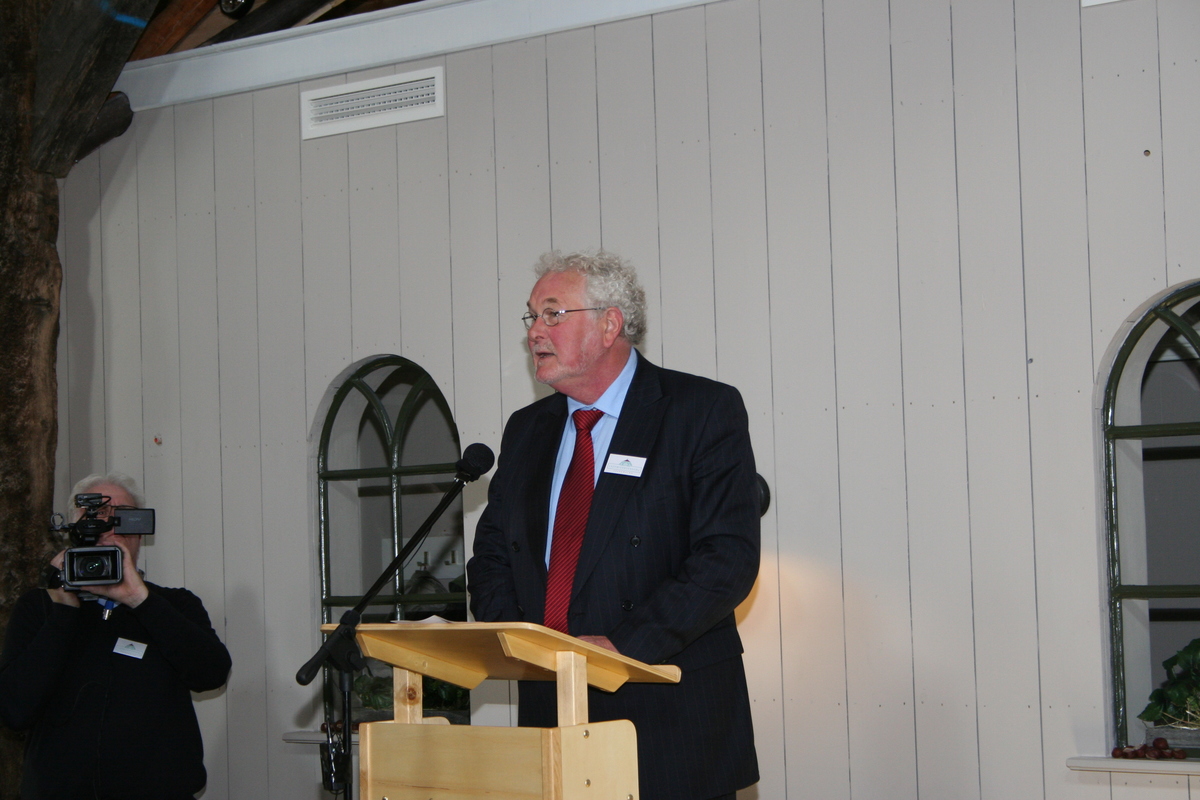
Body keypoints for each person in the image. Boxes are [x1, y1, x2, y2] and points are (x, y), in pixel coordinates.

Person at [467, 251, 760, 800]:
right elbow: (491, 558)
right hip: (551, 716)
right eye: (532, 316)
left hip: (670, 718)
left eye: (553, 313)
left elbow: (726, 560)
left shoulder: (699, 410)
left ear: (609, 325)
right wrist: (525, 645)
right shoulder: (526, 429)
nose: (535, 332)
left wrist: (619, 648)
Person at [0, 473, 231, 800]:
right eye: (94, 518)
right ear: (73, 529)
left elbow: (211, 674)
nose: (108, 528)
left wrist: (140, 600)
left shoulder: (175, 604)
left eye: (122, 517)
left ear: (139, 530)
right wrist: (64, 610)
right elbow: (14, 710)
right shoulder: (40, 607)